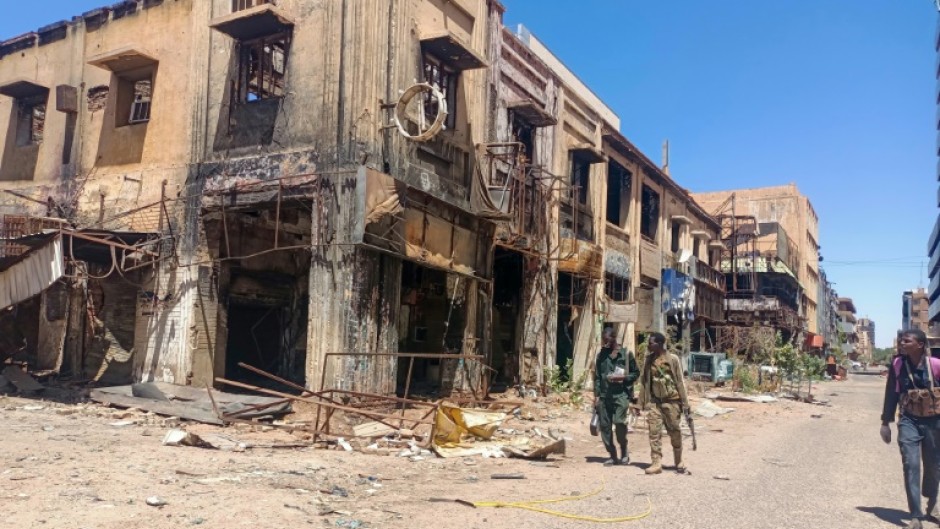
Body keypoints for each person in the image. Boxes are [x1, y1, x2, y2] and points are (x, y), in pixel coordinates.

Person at [881, 329, 940, 529]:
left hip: (934, 422)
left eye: (907, 340)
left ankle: (932, 505)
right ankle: (916, 515)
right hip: (908, 420)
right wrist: (885, 423)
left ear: (920, 345)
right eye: (901, 340)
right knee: (911, 464)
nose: (902, 343)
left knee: (933, 465)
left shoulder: (936, 365)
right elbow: (891, 392)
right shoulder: (898, 364)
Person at [638, 332, 690, 475]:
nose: (648, 345)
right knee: (654, 432)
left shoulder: (672, 359)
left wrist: (685, 403)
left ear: (660, 344)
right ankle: (656, 463)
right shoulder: (649, 360)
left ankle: (678, 460)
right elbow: (644, 382)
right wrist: (639, 404)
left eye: (651, 343)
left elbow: (679, 382)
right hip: (655, 403)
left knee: (674, 431)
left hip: (672, 403)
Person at [593, 328, 640, 466]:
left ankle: (624, 450)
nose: (605, 343)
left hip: (621, 395)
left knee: (619, 422)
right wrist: (596, 396)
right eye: (604, 340)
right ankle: (613, 455)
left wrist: (623, 377)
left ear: (614, 338)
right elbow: (597, 377)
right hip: (604, 396)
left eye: (607, 340)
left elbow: (636, 373)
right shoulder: (601, 355)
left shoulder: (626, 355)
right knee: (605, 427)